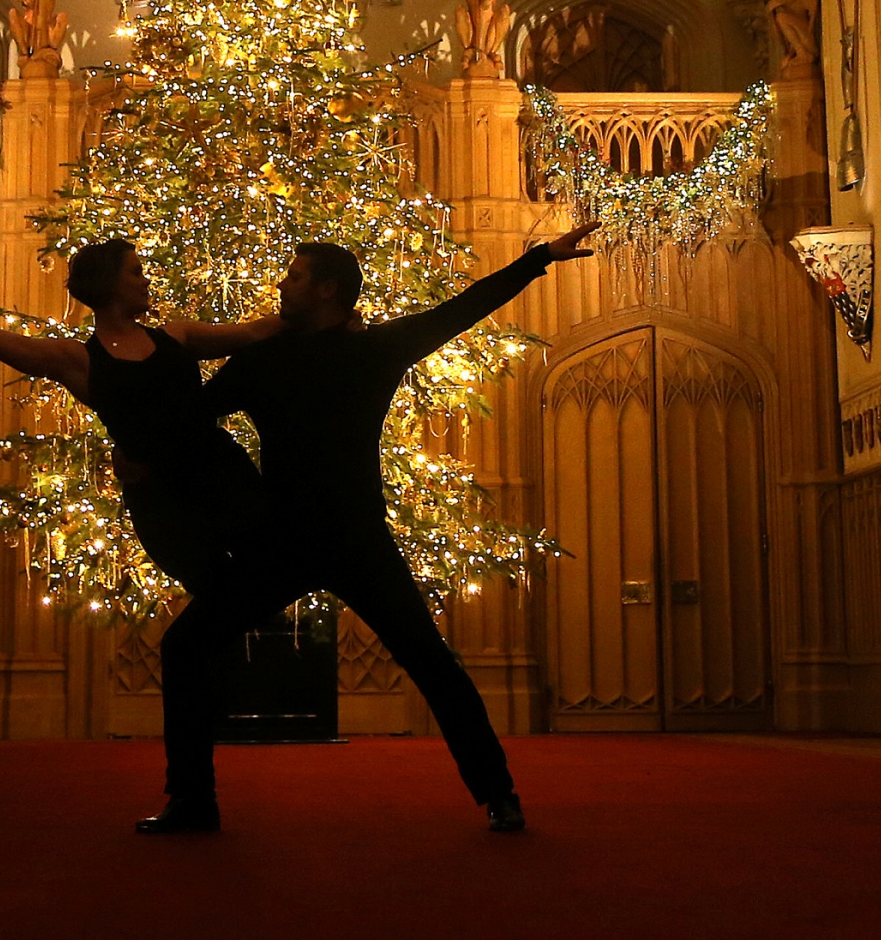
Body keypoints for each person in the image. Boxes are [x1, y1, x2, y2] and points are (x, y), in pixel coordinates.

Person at [153, 221, 601, 838]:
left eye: (294, 277)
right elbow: (189, 418)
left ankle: (498, 792)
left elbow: (465, 308)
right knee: (186, 646)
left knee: (431, 662)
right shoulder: (261, 356)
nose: (281, 286)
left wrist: (539, 258)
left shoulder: (373, 350)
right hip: (280, 540)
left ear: (328, 290)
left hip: (354, 538)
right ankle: (193, 802)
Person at [0, 238, 283, 599]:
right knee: (218, 590)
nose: (145, 279)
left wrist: (329, 313)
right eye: (135, 272)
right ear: (110, 283)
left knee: (268, 566)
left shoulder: (178, 335)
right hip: (164, 498)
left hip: (222, 477)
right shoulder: (79, 361)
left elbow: (252, 334)